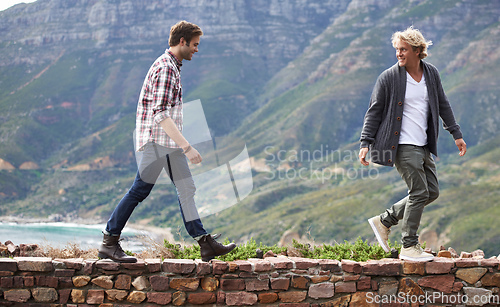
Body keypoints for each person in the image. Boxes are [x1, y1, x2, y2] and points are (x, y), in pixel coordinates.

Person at [98, 21, 236, 263]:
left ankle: (205, 244)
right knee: (140, 189)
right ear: (182, 41)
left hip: (166, 143)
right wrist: (187, 146)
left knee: (186, 188)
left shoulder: (172, 66)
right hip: (156, 142)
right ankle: (109, 242)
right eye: (194, 45)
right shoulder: (166, 69)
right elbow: (160, 114)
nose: (196, 49)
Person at [359, 26, 467, 262]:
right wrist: (365, 141)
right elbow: (374, 112)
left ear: (418, 51)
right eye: (397, 49)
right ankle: (409, 246)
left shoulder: (431, 74)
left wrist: (456, 134)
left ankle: (385, 220)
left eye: (404, 49)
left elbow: (443, 104)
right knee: (418, 191)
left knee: (431, 191)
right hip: (400, 144)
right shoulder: (389, 77)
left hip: (423, 144)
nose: (399, 54)